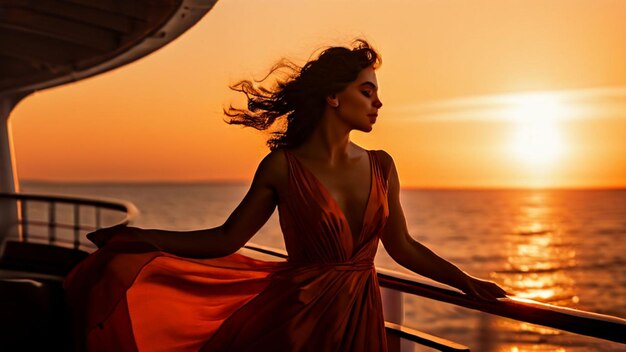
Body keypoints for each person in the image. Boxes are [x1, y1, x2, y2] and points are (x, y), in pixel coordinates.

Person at [66, 39, 507, 351]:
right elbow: (225, 240)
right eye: (367, 90)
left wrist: (466, 283)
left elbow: (403, 248)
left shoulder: (382, 165)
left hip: (361, 318)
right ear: (334, 97)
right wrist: (143, 237)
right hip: (296, 321)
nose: (378, 102)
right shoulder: (282, 167)